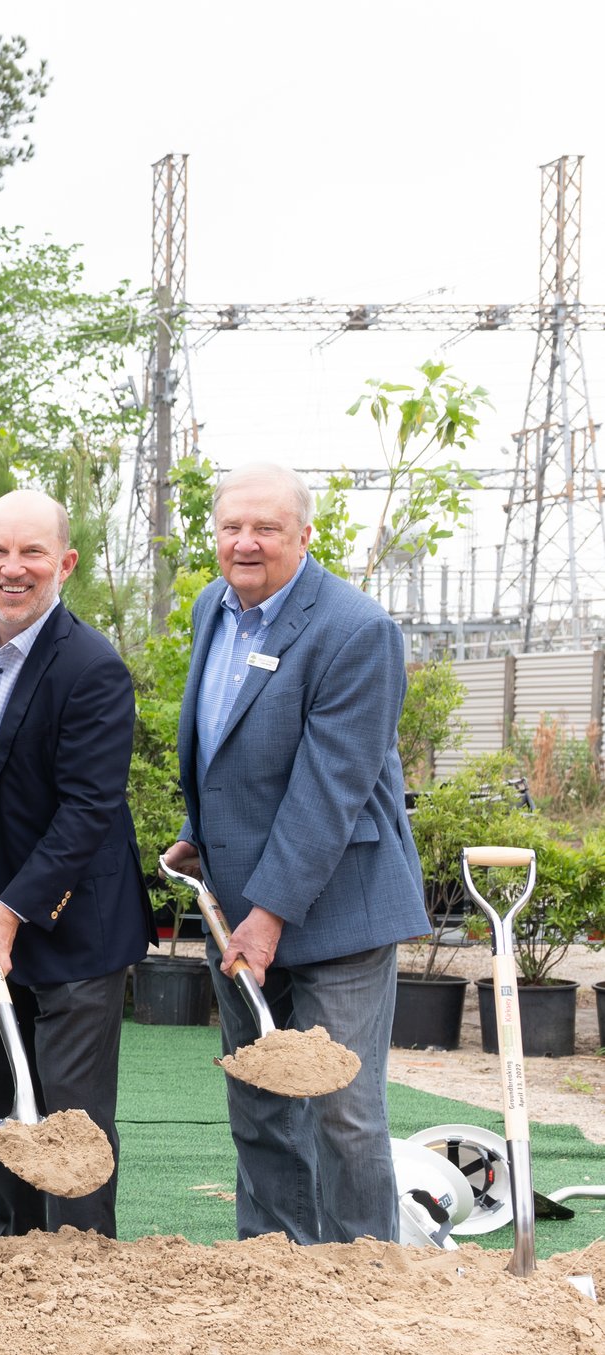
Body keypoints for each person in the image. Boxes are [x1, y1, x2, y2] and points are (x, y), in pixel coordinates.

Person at [162, 461, 428, 1245]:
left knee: (342, 1110)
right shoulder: (218, 606)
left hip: (335, 908)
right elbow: (227, 738)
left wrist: (269, 914)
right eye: (231, 528)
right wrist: (201, 831)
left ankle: (358, 1280)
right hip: (239, 904)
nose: (245, 543)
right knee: (262, 1101)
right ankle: (276, 1267)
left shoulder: (356, 630)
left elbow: (329, 788)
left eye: (266, 529)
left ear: (305, 536)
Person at [0, 489, 153, 1238]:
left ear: (65, 563)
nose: (13, 569)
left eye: (32, 553)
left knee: (72, 1120)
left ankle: (81, 1266)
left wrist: (15, 908)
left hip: (74, 919)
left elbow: (88, 809)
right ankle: (12, 1250)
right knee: (5, 1098)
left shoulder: (92, 668)